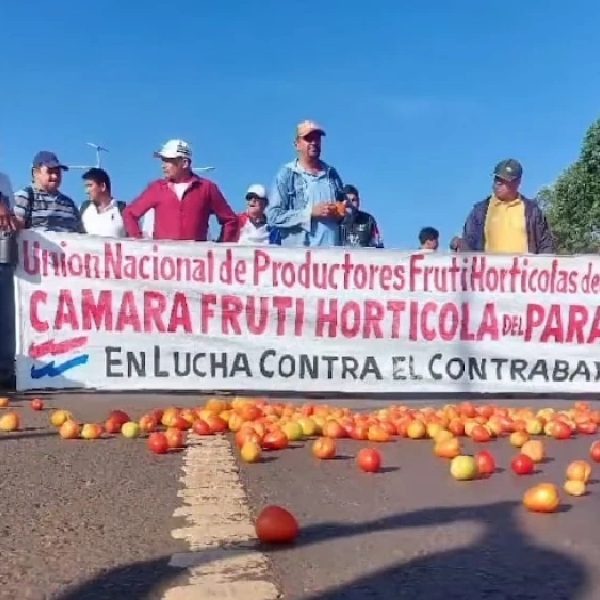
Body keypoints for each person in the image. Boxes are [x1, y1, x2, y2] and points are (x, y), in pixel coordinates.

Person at [122, 139, 238, 242]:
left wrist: (221, 250)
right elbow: (130, 213)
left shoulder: (207, 188)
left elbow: (230, 221)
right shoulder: (156, 188)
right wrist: (138, 243)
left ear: (184, 163)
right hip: (163, 263)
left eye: (168, 161)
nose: (163, 166)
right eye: (163, 161)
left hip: (196, 263)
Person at [267, 120, 344, 247]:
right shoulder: (287, 174)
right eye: (308, 139)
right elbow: (273, 217)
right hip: (301, 260)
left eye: (317, 139)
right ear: (296, 144)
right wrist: (310, 213)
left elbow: (345, 210)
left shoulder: (332, 174)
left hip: (332, 260)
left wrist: (341, 211)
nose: (314, 143)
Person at [457, 159, 555, 254]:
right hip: (490, 270)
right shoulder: (480, 211)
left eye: (504, 180)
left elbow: (546, 246)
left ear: (517, 182)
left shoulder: (532, 211)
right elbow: (468, 245)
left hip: (524, 270)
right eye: (497, 178)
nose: (498, 183)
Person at [12, 151, 83, 233]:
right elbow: (13, 232)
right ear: (36, 173)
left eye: (57, 172)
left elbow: (81, 237)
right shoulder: (24, 198)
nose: (55, 176)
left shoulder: (70, 204)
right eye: (50, 172)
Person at [80, 168, 126, 238]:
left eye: (89, 186)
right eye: (86, 187)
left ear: (102, 186)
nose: (86, 191)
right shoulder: (83, 209)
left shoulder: (123, 210)